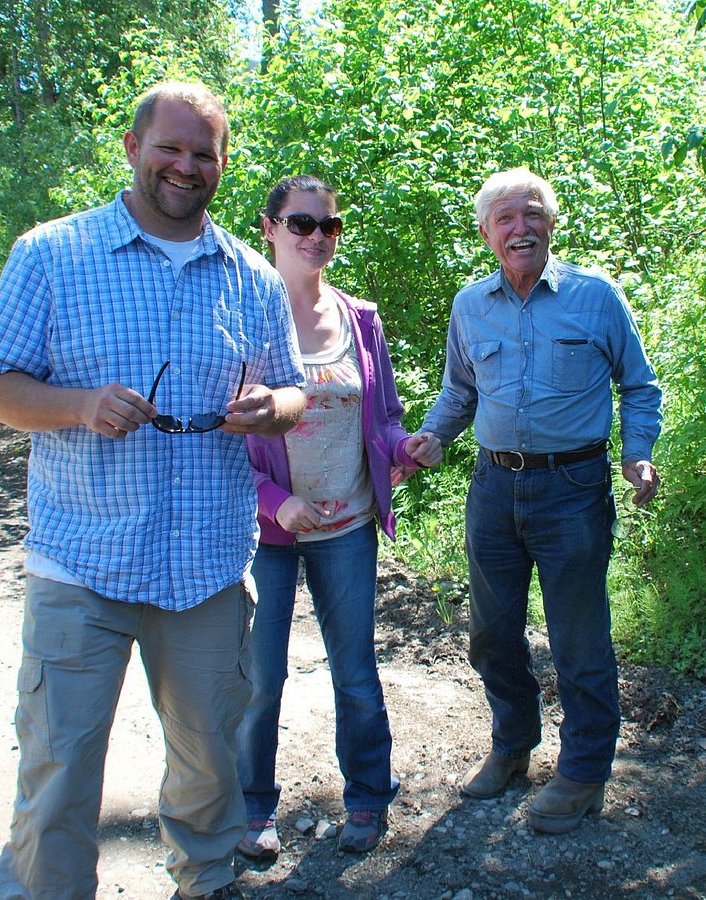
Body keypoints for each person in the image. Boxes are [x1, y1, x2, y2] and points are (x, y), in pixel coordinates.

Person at [0, 82, 307, 900]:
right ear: (132, 147)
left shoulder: (252, 277)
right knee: (59, 775)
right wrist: (79, 405)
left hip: (207, 572)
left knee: (209, 769)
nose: (186, 167)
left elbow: (294, 393)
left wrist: (271, 410)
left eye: (204, 153)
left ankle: (207, 883)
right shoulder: (50, 253)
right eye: (171, 148)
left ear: (223, 164)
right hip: (80, 562)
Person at [417, 167, 662, 835]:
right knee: (492, 635)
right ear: (486, 232)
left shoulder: (596, 297)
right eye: (505, 218)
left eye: (532, 215)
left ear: (552, 224)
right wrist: (433, 436)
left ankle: (583, 774)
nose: (520, 228)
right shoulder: (471, 305)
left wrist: (636, 453)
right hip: (493, 488)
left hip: (573, 488)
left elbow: (639, 386)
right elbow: (459, 393)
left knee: (578, 639)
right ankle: (513, 747)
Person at [235, 175, 442, 858]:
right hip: (265, 534)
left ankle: (366, 799)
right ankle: (252, 809)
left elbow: (380, 419)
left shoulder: (361, 318)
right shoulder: (238, 319)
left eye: (329, 226)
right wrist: (277, 504)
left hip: (348, 526)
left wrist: (401, 450)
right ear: (268, 228)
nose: (317, 237)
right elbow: (214, 440)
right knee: (261, 680)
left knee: (355, 673)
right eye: (301, 224)